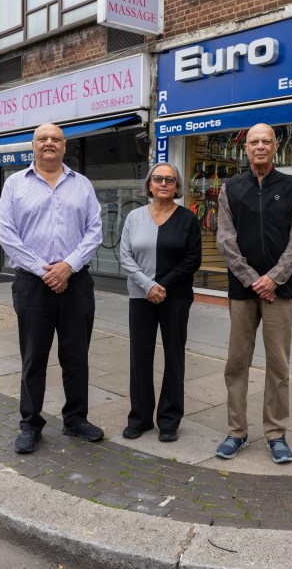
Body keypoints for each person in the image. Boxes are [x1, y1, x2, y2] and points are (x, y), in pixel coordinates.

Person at [0, 122, 104, 454]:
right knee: (34, 357)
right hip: (33, 284)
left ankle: (75, 419)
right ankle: (30, 424)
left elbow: (95, 231)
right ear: (33, 145)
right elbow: (7, 235)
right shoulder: (15, 185)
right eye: (42, 138)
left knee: (76, 356)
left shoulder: (82, 185)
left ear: (64, 146)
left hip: (76, 283)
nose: (49, 143)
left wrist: (68, 266)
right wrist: (44, 270)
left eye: (55, 139)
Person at [215, 123, 292, 464]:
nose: (260, 147)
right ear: (246, 147)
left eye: (266, 141)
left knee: (278, 365)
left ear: (276, 146)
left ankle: (276, 433)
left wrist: (275, 278)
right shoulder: (231, 187)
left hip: (280, 291)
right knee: (236, 363)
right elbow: (225, 239)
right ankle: (236, 431)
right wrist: (254, 279)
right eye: (254, 142)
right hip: (243, 290)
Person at [119, 163, 202, 443]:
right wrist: (148, 285)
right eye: (158, 179)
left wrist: (162, 286)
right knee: (139, 357)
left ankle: (169, 420)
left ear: (177, 187)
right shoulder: (134, 217)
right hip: (140, 296)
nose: (164, 183)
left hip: (175, 297)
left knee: (174, 358)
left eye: (170, 179)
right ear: (149, 185)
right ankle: (140, 417)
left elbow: (193, 259)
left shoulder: (187, 219)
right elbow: (125, 256)